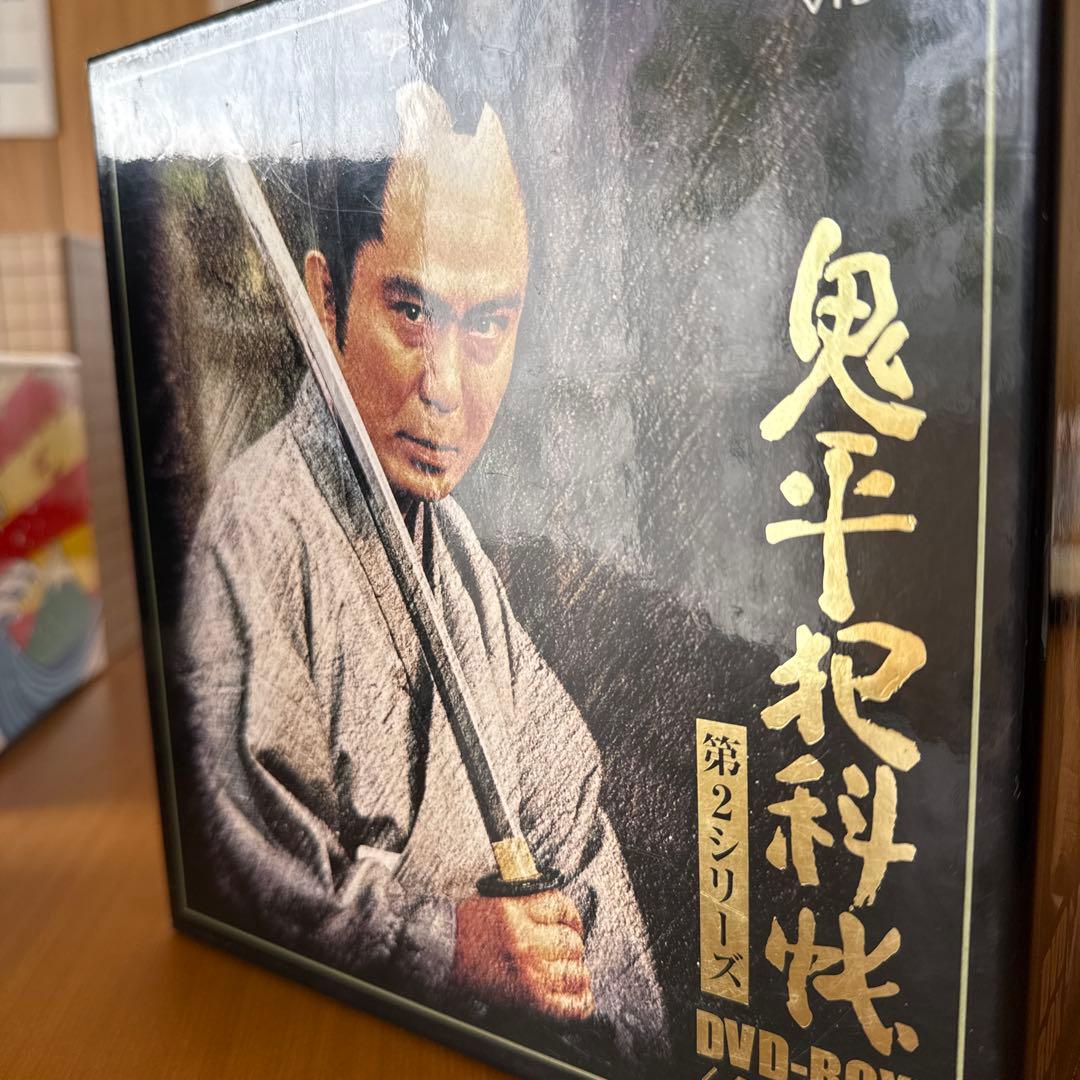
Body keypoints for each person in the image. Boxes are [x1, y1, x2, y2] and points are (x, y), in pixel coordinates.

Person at [179, 83, 665, 1067]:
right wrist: (455, 949)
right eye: (410, 310)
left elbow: (573, 828)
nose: (446, 384)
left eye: (488, 325)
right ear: (324, 300)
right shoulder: (253, 533)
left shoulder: (460, 564)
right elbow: (250, 876)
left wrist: (621, 1035)